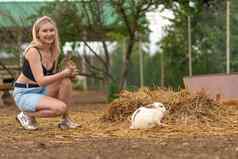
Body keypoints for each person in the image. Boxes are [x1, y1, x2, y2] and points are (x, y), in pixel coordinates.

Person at [13, 16, 80, 130]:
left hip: (40, 91)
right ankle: (26, 115)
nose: (49, 34)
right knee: (60, 108)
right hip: (25, 93)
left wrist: (69, 75)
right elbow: (41, 81)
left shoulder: (54, 51)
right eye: (45, 31)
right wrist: (64, 73)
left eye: (51, 30)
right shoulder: (33, 51)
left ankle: (65, 120)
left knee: (65, 82)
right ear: (37, 34)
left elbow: (52, 78)